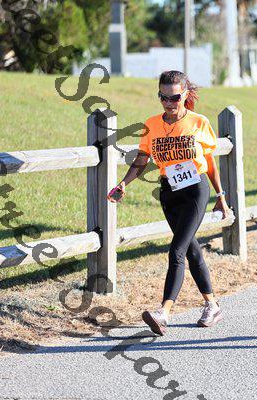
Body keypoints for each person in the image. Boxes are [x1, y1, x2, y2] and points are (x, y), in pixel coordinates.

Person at [107, 70, 229, 335]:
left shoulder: (198, 122)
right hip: (169, 192)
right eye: (163, 97)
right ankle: (212, 305)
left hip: (195, 190)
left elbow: (209, 162)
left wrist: (221, 197)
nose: (168, 103)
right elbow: (142, 158)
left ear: (185, 95)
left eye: (174, 97)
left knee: (177, 250)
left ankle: (163, 312)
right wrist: (124, 183)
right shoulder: (152, 124)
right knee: (191, 249)